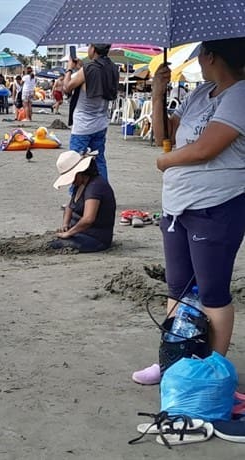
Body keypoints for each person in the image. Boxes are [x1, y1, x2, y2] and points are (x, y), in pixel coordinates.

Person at [132, 37, 245, 386]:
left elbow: (206, 149)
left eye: (199, 56)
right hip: (177, 205)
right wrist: (157, 92)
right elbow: (164, 136)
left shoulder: (239, 95)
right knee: (177, 289)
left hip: (217, 204)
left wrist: (166, 161)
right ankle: (175, 362)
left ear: (210, 56)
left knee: (212, 291)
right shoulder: (200, 93)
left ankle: (208, 372)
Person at [63, 43, 119, 182]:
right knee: (99, 161)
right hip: (100, 123)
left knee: (75, 162)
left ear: (93, 49)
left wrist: (69, 69)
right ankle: (102, 195)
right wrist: (82, 67)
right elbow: (94, 76)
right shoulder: (113, 68)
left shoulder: (88, 69)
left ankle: (75, 200)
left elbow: (66, 88)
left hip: (83, 125)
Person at [50, 150, 116, 253]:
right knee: (51, 240)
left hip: (95, 238)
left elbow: (88, 219)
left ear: (80, 172)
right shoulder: (81, 183)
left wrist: (68, 233)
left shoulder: (95, 187)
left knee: (52, 245)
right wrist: (65, 225)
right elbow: (69, 207)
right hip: (79, 232)